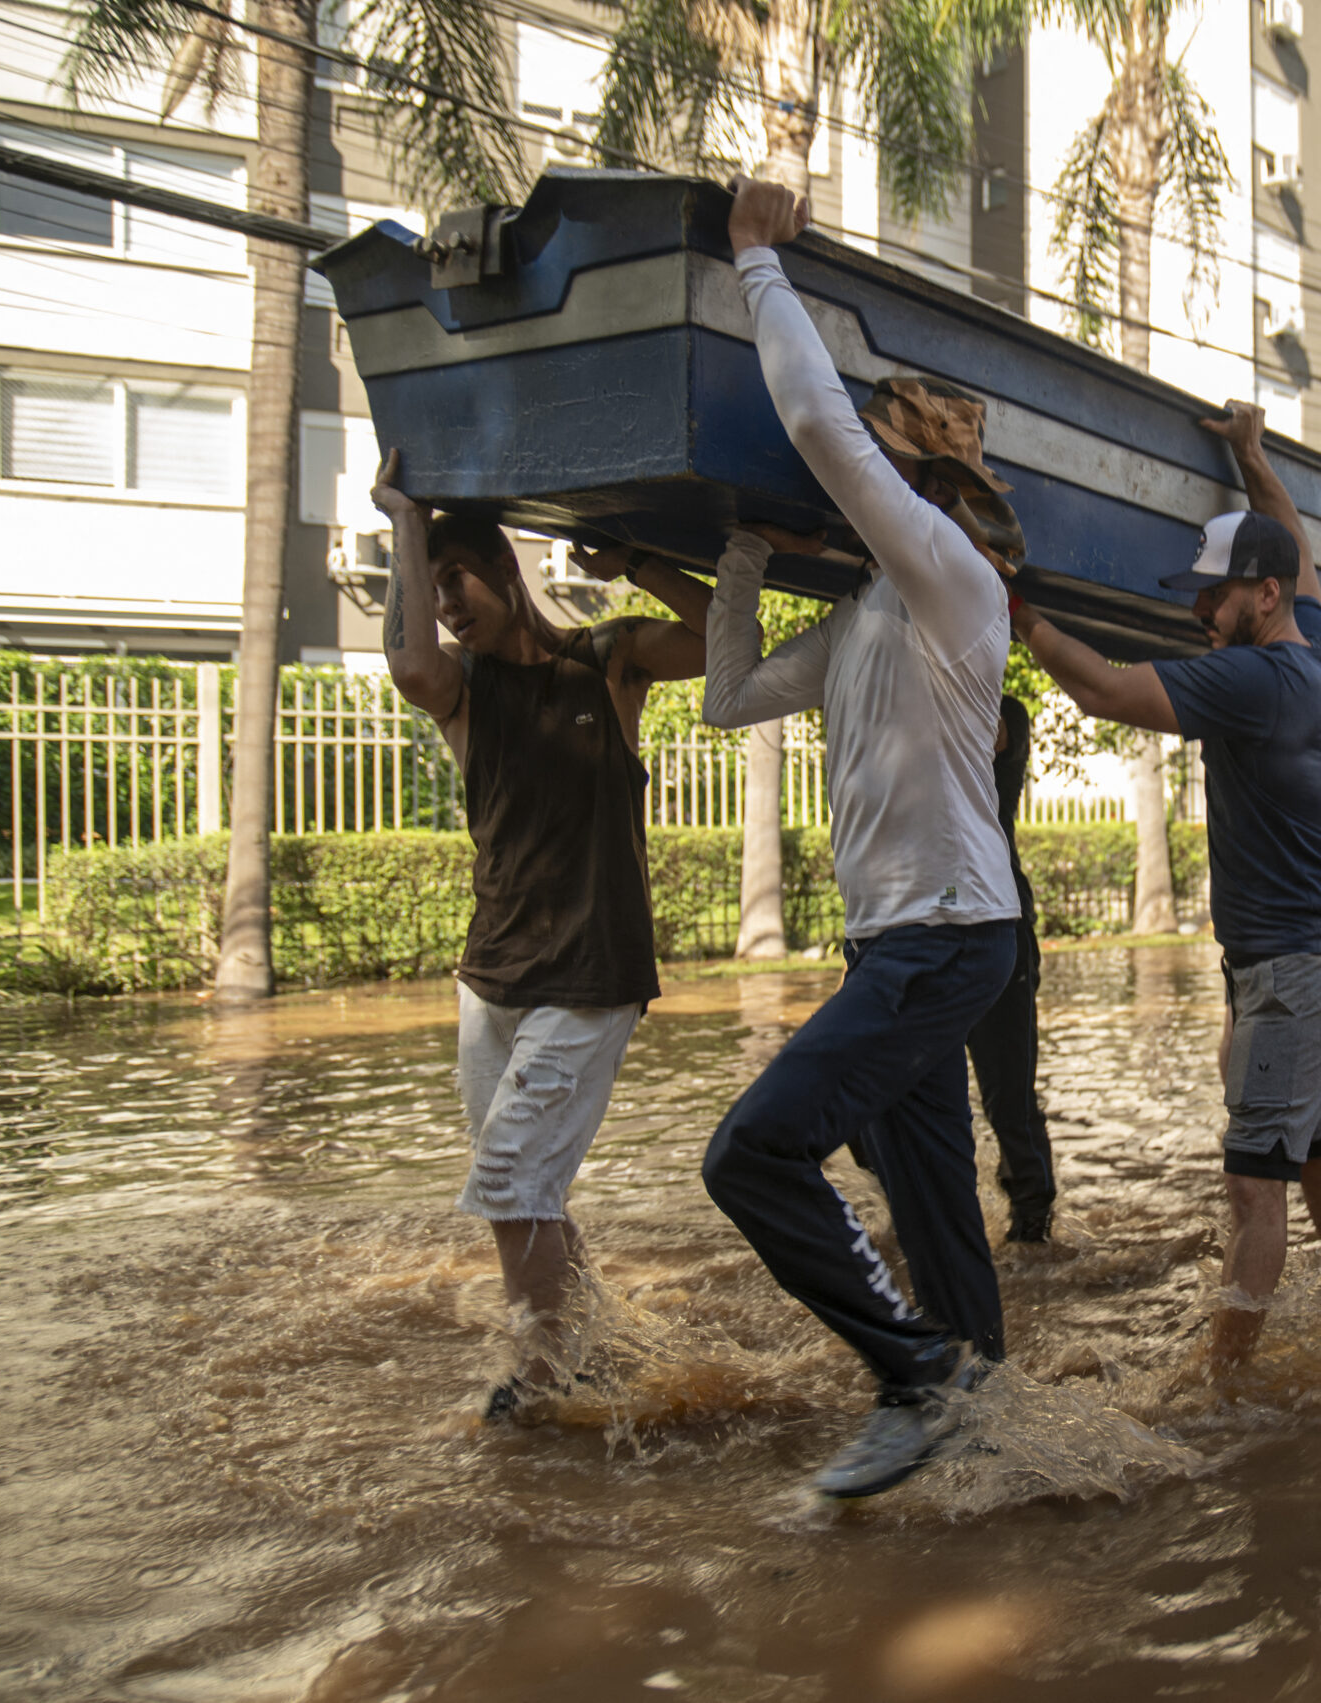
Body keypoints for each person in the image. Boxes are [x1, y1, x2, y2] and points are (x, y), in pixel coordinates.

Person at [697, 178, 1023, 1498]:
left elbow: (828, 435)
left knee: (751, 1152)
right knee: (937, 1213)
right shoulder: (868, 621)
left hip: (944, 941)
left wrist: (756, 261)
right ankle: (1001, 1437)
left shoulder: (954, 579)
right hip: (905, 942)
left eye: (918, 480)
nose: (894, 493)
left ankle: (914, 1375)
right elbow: (728, 698)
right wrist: (738, 559)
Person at [1011, 399, 1321, 1377]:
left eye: (1210, 596)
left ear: (1258, 597)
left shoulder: (1251, 681)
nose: (1196, 611)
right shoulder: (1317, 655)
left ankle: (1224, 1390)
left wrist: (1014, 607)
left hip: (1291, 968)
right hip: (1316, 955)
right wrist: (1252, 459)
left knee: (1253, 1187)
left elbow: (1098, 687)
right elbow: (1297, 543)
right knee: (1318, 1155)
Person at [369, 451, 710, 1421]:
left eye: (454, 581)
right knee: (526, 1190)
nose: (442, 605)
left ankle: (540, 1372)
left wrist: (633, 560)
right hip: (491, 983)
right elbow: (408, 662)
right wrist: (408, 516)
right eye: (429, 590)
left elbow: (720, 634)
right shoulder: (462, 687)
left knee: (511, 1176)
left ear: (503, 572)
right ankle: (590, 1341)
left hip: (593, 976)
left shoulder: (606, 662)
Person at [971, 696, 1059, 1242]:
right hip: (916, 926)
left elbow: (987, 731)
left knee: (1008, 1098)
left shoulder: (1001, 711)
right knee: (885, 1089)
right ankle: (917, 1207)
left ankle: (1033, 1229)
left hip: (999, 927)